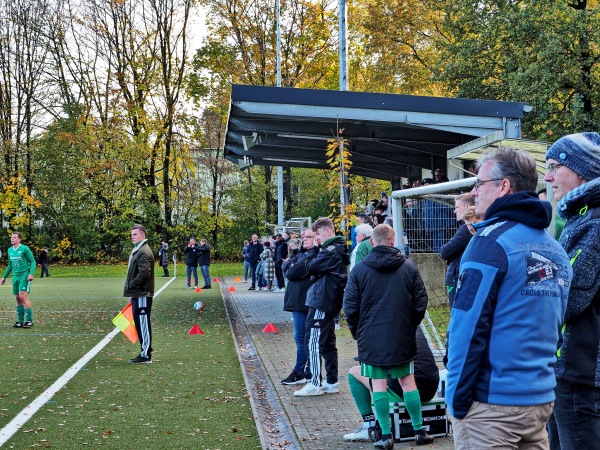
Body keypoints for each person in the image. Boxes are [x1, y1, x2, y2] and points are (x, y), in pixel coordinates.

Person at [445, 147, 572, 449]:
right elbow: (556, 328)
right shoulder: (556, 250)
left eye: (479, 184)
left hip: (491, 409)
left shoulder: (490, 243)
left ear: (503, 186)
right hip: (539, 402)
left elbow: (467, 326)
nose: (474, 193)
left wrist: (455, 401)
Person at [343, 224, 434, 448]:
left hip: (371, 336)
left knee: (379, 384)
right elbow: (421, 300)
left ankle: (385, 436)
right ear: (393, 241)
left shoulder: (359, 270)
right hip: (401, 335)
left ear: (371, 242)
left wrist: (358, 333)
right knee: (408, 382)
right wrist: (409, 324)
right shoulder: (409, 267)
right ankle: (419, 431)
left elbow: (350, 307)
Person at [543, 132, 600, 449]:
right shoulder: (582, 217)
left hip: (582, 375)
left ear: (582, 170)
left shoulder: (593, 222)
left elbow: (569, 299)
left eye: (554, 167)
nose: (548, 177)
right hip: (575, 370)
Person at [343, 327, 439, 442]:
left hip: (403, 390)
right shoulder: (412, 323)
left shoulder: (376, 326)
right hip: (431, 388)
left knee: (355, 372)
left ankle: (370, 426)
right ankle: (419, 431)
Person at [294, 217, 349, 397]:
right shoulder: (333, 249)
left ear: (328, 231)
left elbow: (311, 267)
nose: (316, 238)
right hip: (325, 298)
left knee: (314, 341)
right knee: (327, 342)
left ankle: (314, 382)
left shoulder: (331, 250)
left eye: (318, 234)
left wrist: (314, 251)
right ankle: (331, 381)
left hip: (323, 300)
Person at [280, 228, 316, 385]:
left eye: (308, 236)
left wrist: (292, 265)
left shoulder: (313, 255)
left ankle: (300, 371)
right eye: (303, 236)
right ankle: (304, 370)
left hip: (303, 302)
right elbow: (285, 269)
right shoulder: (300, 254)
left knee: (302, 338)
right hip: (297, 301)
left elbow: (293, 271)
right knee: (300, 338)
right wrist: (292, 264)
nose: (304, 239)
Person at [124, 225, 155, 364]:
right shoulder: (138, 249)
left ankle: (146, 354)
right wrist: (132, 292)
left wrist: (132, 285)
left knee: (143, 323)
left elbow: (144, 273)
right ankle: (144, 351)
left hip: (142, 293)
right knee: (139, 322)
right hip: (138, 293)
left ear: (142, 235)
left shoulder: (144, 251)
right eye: (132, 234)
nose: (132, 236)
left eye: (135, 234)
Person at [440, 194, 475, 306]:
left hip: (459, 278)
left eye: (456, 207)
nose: (454, 211)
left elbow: (445, 252)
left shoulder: (466, 229)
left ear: (467, 206)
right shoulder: (464, 227)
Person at [1, 232, 36, 328]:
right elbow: (10, 265)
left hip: (24, 276)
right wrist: (4, 277)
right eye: (11, 237)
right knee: (17, 298)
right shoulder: (10, 250)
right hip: (15, 277)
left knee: (22, 296)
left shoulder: (25, 248)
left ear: (19, 239)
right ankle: (20, 321)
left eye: (14, 237)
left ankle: (29, 321)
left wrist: (31, 273)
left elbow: (33, 261)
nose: (12, 239)